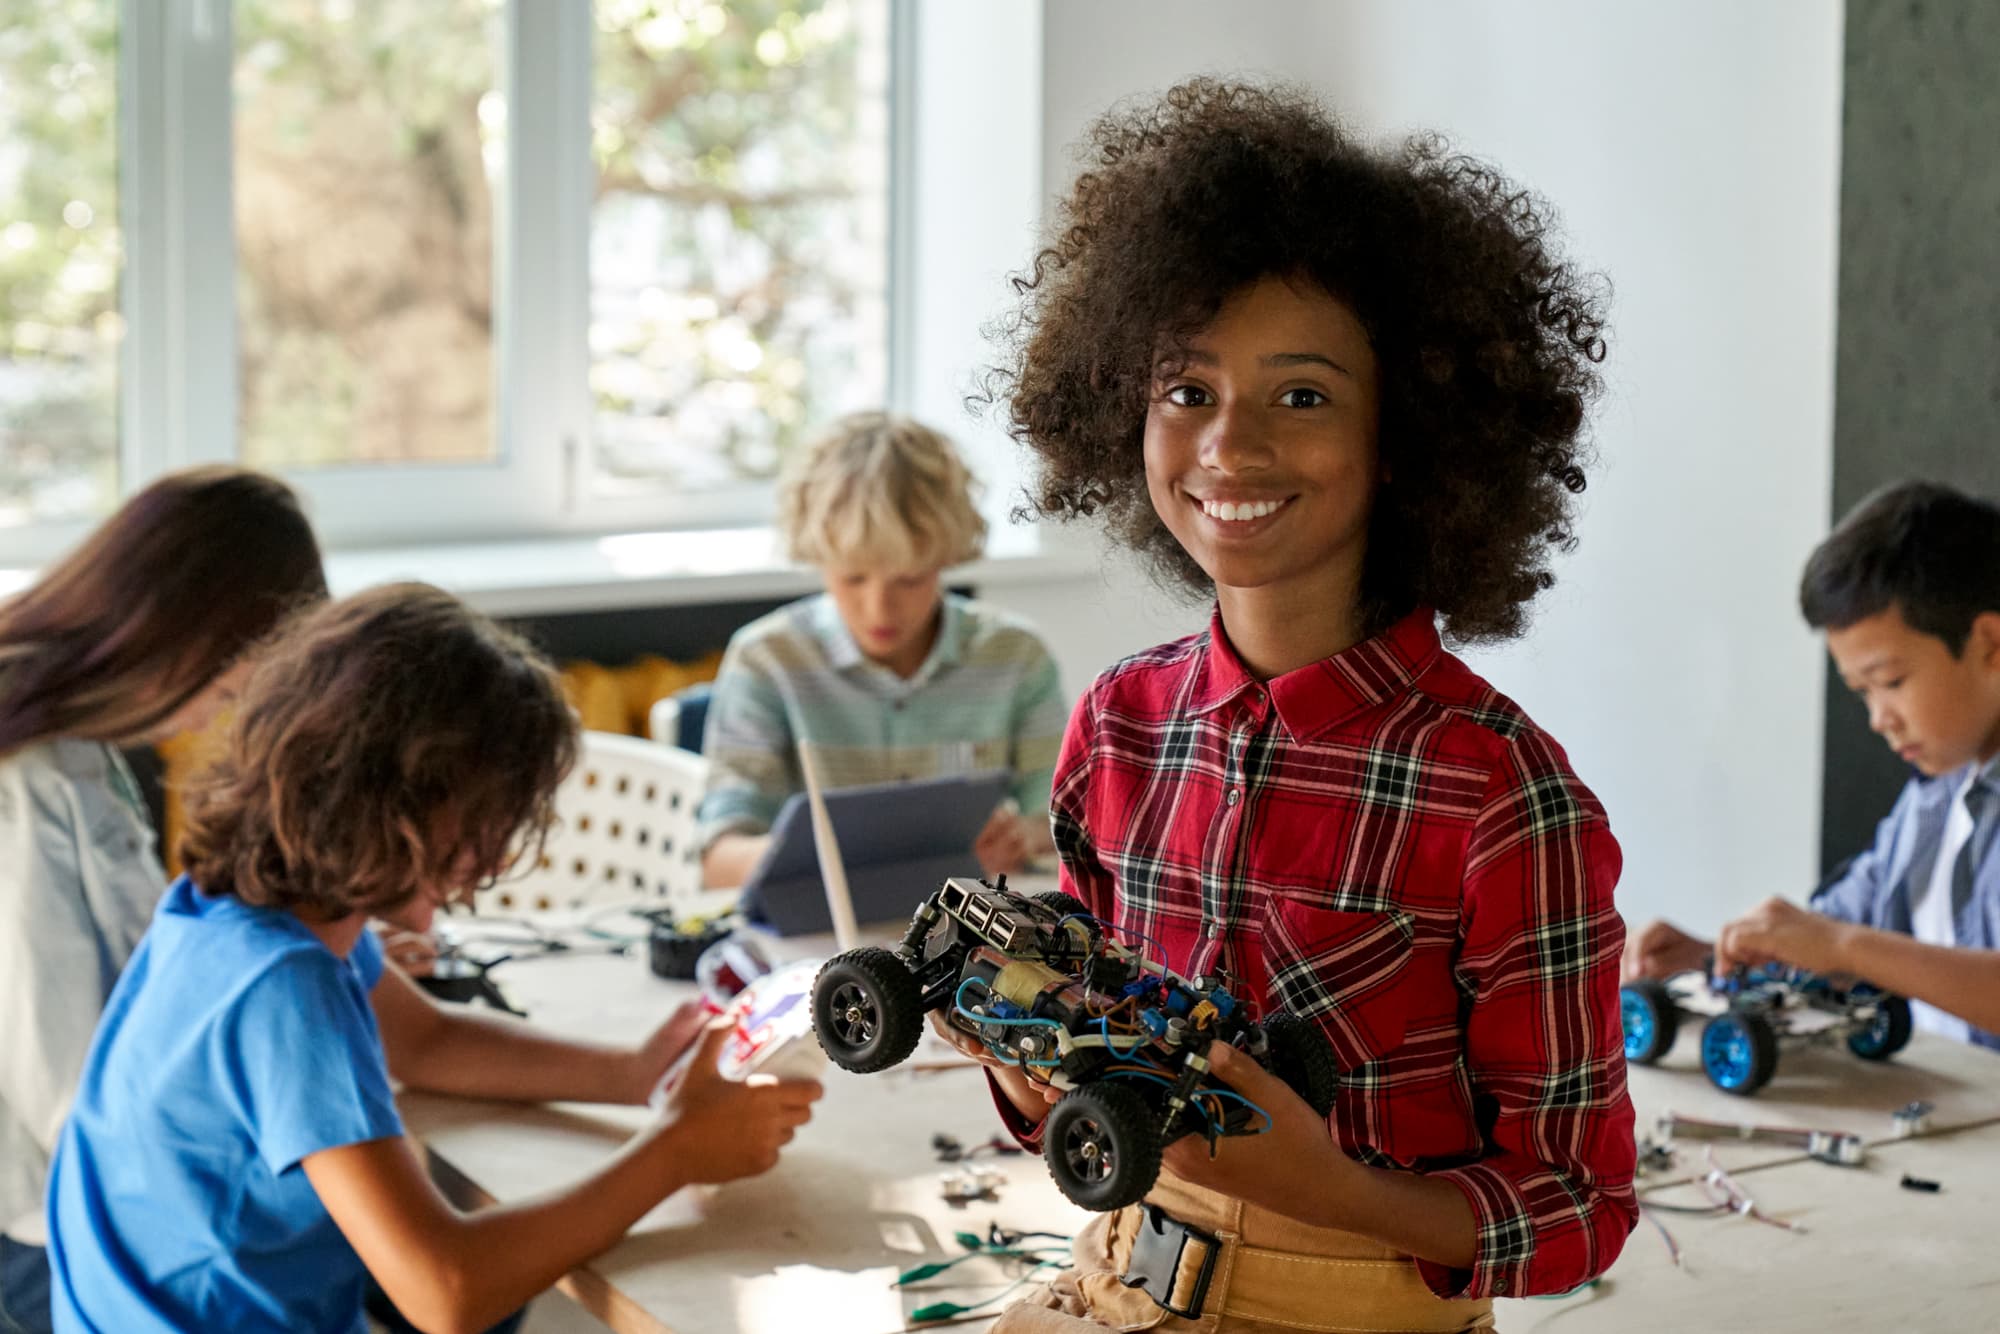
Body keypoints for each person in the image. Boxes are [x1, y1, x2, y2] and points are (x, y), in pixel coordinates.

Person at [936, 79, 1638, 1332]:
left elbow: (1576, 1207)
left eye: (1300, 395)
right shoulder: (1117, 722)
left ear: (1405, 438)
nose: (1226, 445)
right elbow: (1097, 1052)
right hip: (1110, 1278)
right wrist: (1031, 1064)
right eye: (1186, 390)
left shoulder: (1495, 792)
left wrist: (1334, 1187)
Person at [44, 584, 822, 1334]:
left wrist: (634, 1072)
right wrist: (674, 1154)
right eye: (485, 824)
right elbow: (447, 1292)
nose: (492, 856)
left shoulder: (232, 907)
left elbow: (427, 1041)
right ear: (391, 803)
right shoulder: (285, 987)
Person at [0, 466, 327, 1334]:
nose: (202, 726)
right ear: (177, 641)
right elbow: (62, 1078)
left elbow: (123, 943)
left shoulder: (66, 735)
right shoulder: (31, 776)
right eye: (223, 694)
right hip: (39, 1216)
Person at [1626, 481, 2000, 1046]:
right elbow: (1835, 936)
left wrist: (1842, 945)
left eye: (1891, 682)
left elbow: (1845, 942)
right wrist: (1717, 957)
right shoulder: (1934, 796)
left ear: (1990, 644)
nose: (1879, 718)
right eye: (1861, 692)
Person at [699, 411, 1066, 887]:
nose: (879, 610)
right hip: (819, 943)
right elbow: (718, 860)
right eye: (853, 577)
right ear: (818, 557)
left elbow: (1067, 829)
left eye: (910, 579)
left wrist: (1021, 838)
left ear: (945, 557)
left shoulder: (1016, 657)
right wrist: (848, 858)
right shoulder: (767, 660)